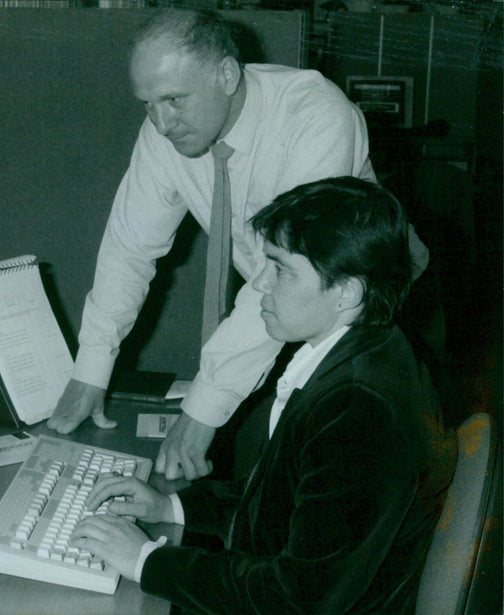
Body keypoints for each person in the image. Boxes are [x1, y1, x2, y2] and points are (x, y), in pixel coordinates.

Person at [47, 8, 428, 480]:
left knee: (338, 472)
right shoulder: (164, 133)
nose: (161, 123)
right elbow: (129, 248)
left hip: (371, 304)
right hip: (281, 308)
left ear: (226, 74)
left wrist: (204, 407)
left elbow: (287, 271)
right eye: (147, 103)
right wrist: (91, 369)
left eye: (173, 100)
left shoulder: (315, 115)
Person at [69, 176, 456, 614]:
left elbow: (298, 598)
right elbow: (287, 506)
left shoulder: (360, 407)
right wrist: (171, 506)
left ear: (346, 291)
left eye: (281, 269)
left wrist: (145, 561)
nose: (261, 287)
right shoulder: (367, 352)